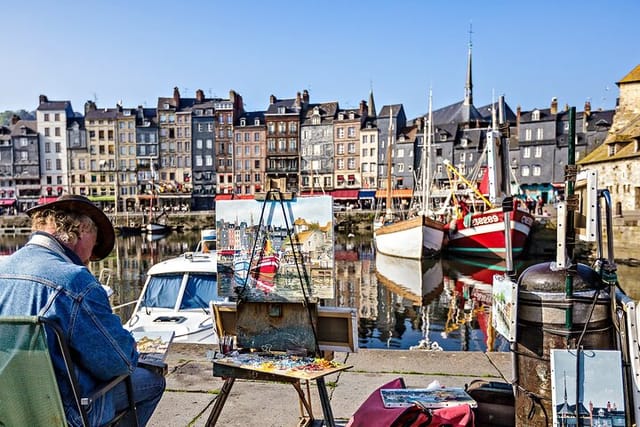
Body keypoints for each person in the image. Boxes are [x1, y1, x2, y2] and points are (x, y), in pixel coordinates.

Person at [0, 195, 165, 426]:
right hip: (64, 413)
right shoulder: (74, 280)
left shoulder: (2, 267)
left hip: (6, 409)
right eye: (95, 244)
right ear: (81, 230)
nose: (90, 258)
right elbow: (119, 362)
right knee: (151, 382)